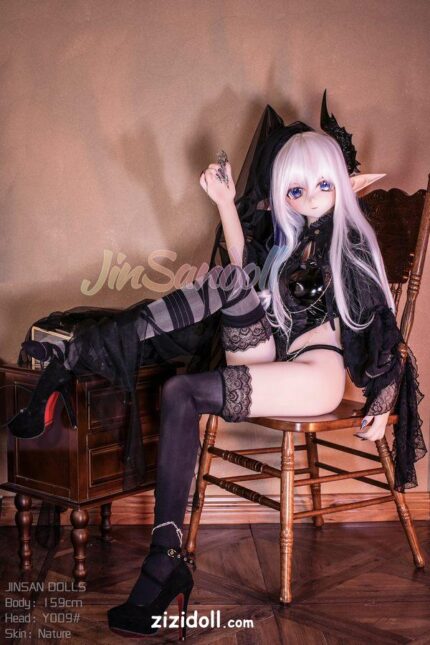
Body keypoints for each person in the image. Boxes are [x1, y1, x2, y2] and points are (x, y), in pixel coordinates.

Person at [6, 95, 426, 639]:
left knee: (180, 391)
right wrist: (227, 202)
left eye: (323, 185)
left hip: (315, 373)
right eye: (295, 190)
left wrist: (385, 398)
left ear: (340, 186)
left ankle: (162, 559)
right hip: (271, 354)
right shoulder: (286, 244)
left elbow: (383, 327)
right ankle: (85, 354)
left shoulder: (351, 246)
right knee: (231, 278)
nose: (309, 198)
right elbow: (245, 270)